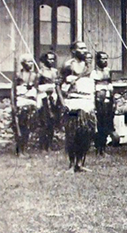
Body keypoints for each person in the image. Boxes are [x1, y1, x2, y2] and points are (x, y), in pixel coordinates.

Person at [62, 41, 96, 172]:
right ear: (74, 51)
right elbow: (60, 85)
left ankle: (80, 163)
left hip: (86, 102)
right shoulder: (67, 66)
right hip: (73, 102)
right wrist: (63, 102)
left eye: (85, 48)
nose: (84, 50)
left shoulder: (89, 67)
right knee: (72, 133)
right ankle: (71, 164)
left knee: (86, 132)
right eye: (81, 48)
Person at [13, 54, 39, 155]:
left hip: (31, 101)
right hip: (21, 101)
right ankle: (19, 150)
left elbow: (36, 88)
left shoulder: (34, 75)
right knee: (21, 126)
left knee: (28, 126)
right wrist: (13, 104)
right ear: (23, 63)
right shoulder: (18, 75)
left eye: (31, 62)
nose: (30, 64)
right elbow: (13, 90)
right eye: (28, 62)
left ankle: (24, 148)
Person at [91, 51, 115, 155]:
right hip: (98, 101)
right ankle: (98, 148)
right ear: (97, 60)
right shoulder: (94, 73)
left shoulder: (108, 71)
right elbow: (92, 88)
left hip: (108, 100)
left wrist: (113, 101)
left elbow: (110, 85)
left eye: (106, 58)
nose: (105, 61)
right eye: (102, 58)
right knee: (99, 124)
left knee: (106, 124)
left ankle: (103, 148)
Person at [35, 51, 60, 151]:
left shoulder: (55, 71)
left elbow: (58, 85)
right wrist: (47, 87)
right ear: (45, 60)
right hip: (43, 97)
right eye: (49, 59)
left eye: (53, 59)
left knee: (52, 122)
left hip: (53, 97)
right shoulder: (40, 72)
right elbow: (37, 87)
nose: (51, 61)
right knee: (44, 122)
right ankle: (42, 146)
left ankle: (49, 144)